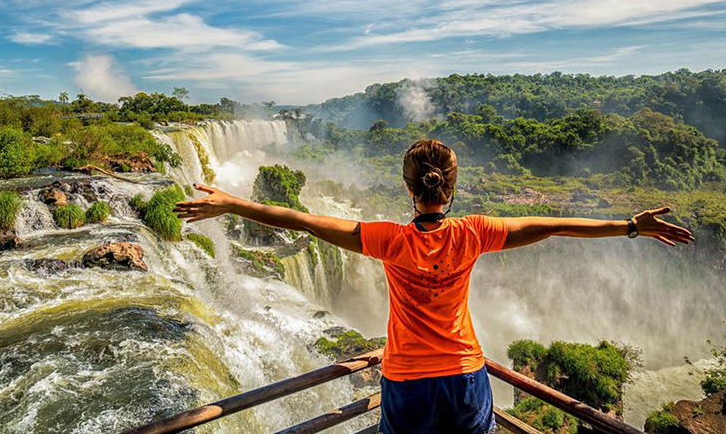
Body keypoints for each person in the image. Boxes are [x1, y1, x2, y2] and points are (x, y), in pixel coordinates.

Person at [174, 138, 693, 434]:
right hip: (466, 376)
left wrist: (232, 204)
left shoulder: (387, 239)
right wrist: (631, 226)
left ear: (409, 188)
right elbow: (554, 225)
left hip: (407, 382)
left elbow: (302, 221)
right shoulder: (475, 233)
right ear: (451, 188)